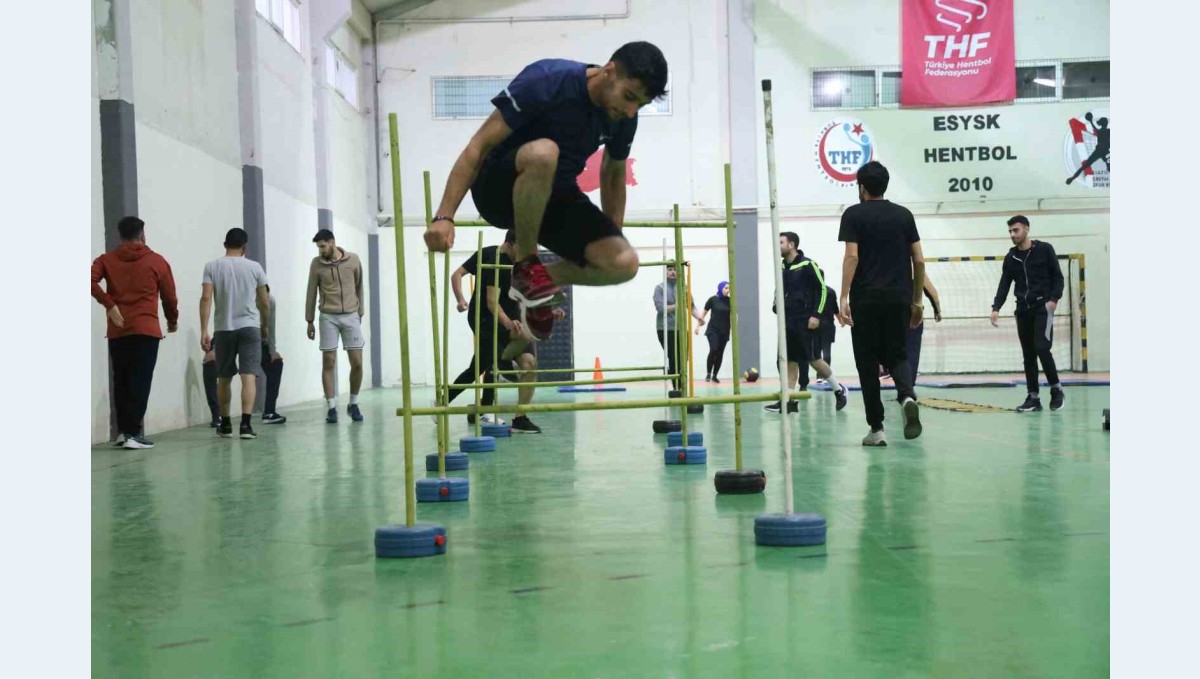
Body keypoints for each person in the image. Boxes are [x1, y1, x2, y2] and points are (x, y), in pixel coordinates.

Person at [422, 42, 669, 340]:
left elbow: (614, 173)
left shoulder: (623, 117)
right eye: (629, 96)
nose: (630, 111)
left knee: (623, 263)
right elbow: (479, 146)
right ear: (609, 71)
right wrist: (444, 215)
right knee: (544, 153)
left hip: (554, 196)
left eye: (639, 105)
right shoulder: (548, 80)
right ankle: (527, 262)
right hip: (497, 187)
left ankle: (536, 280)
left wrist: (609, 236)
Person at [837, 161, 924, 446]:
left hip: (866, 299)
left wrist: (844, 296)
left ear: (862, 187)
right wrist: (917, 302)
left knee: (867, 362)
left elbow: (852, 256)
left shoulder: (853, 214)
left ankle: (877, 429)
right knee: (897, 354)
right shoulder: (904, 215)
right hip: (899, 297)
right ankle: (907, 396)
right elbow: (919, 261)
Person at [447, 229, 555, 434]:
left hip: (510, 319)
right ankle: (446, 402)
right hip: (487, 317)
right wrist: (460, 298)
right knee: (483, 365)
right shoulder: (493, 260)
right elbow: (490, 301)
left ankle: (519, 418)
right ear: (511, 244)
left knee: (529, 364)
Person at [91, 216, 179, 449]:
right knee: (141, 380)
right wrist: (172, 320)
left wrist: (109, 304)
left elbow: (89, 280)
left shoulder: (107, 260)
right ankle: (132, 433)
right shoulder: (157, 261)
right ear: (143, 234)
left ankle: (123, 432)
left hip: (118, 331)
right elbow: (169, 296)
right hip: (146, 330)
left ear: (120, 236)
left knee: (122, 380)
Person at [990, 215, 1066, 412]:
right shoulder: (1011, 258)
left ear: (1027, 229)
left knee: (1042, 348)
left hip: (1043, 308)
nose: (1012, 234)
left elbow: (1058, 277)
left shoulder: (1045, 249)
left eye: (1016, 230)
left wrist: (1053, 300)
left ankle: (1056, 390)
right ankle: (1033, 397)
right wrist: (996, 307)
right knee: (1028, 354)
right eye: (1010, 231)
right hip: (1023, 311)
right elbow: (1004, 284)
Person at [201, 228, 270, 440]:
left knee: (224, 377)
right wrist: (264, 326)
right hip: (250, 327)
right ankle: (246, 426)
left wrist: (204, 329)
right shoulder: (255, 267)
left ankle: (226, 424)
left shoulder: (212, 266)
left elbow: (206, 298)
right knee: (249, 375)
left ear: (225, 244)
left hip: (224, 329)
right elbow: (265, 301)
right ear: (245, 247)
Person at [767, 232, 848, 413]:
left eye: (781, 242)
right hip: (787, 321)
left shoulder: (808, 265)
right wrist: (775, 303)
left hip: (806, 321)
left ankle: (838, 390)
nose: (777, 245)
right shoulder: (782, 267)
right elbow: (779, 289)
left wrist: (816, 315)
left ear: (791, 245)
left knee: (814, 360)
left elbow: (822, 290)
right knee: (789, 361)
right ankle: (788, 401)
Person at [305, 229, 366, 424]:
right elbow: (311, 292)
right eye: (318, 247)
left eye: (323, 246)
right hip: (328, 317)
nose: (320, 250)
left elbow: (359, 286)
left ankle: (353, 404)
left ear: (332, 242)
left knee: (357, 362)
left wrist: (360, 312)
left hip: (351, 316)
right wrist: (309, 321)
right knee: (328, 361)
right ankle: (331, 407)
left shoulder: (353, 260)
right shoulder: (316, 264)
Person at [654, 267, 704, 392]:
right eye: (670, 269)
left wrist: (699, 318)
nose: (673, 272)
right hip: (666, 328)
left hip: (681, 328)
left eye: (675, 269)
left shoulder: (684, 287)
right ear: (665, 272)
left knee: (683, 357)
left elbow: (690, 306)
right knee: (673, 357)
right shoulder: (659, 288)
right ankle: (677, 387)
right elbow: (661, 309)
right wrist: (678, 305)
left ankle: (682, 386)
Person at [696, 281, 731, 383]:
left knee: (720, 353)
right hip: (713, 330)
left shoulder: (730, 301)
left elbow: (734, 315)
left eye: (729, 288)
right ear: (720, 288)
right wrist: (698, 326)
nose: (727, 290)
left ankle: (715, 375)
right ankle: (708, 373)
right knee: (714, 349)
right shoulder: (712, 300)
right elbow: (704, 313)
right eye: (726, 288)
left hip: (724, 331)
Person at [1065, 113, 1110, 185]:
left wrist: (1091, 121)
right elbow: (1095, 128)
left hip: (1099, 151)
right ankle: (1072, 178)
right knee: (1109, 167)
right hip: (1105, 151)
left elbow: (1095, 128)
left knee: (1084, 166)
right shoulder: (1108, 131)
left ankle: (1072, 178)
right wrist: (1091, 121)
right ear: (1106, 123)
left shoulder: (1100, 131)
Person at [812, 285, 839, 387]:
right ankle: (827, 377)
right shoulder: (831, 291)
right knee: (827, 351)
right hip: (828, 324)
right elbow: (835, 309)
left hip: (816, 324)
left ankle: (819, 377)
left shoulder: (813, 291)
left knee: (817, 352)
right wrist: (840, 319)